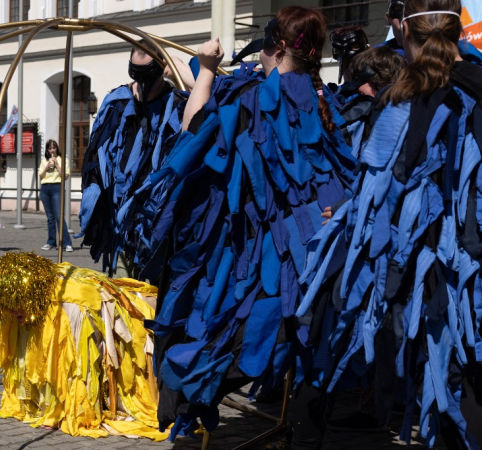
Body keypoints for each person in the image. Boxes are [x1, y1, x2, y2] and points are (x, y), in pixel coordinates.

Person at [146, 6, 357, 441]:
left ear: (278, 48)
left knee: (211, 341)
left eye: (264, 44)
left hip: (259, 262)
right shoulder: (324, 102)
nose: (258, 53)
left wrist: (204, 70)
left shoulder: (256, 100)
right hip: (316, 259)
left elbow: (192, 137)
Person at [298, 0, 482, 447]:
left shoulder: (400, 103)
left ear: (403, 34)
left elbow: (379, 200)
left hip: (437, 278)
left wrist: (347, 218)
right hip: (462, 276)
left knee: (451, 387)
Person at [0, 251, 166, 441]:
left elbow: (82, 366)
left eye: (16, 304)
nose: (11, 312)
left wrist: (73, 409)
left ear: (32, 295)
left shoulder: (71, 307)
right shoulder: (14, 312)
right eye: (7, 305)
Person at [79, 40, 188, 279]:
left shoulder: (178, 107)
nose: (141, 83)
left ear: (162, 69)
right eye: (135, 74)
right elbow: (97, 156)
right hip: (119, 223)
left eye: (147, 74)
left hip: (155, 223)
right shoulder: (117, 103)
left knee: (150, 295)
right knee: (122, 293)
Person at [38, 139, 73, 252]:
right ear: (47, 150)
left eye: (54, 147)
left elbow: (65, 176)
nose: (52, 150)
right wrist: (46, 168)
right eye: (49, 148)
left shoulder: (63, 160)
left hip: (57, 187)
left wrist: (57, 165)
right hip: (45, 188)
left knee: (59, 217)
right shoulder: (44, 161)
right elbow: (41, 176)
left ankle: (66, 243)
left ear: (57, 148)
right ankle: (51, 242)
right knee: (50, 218)